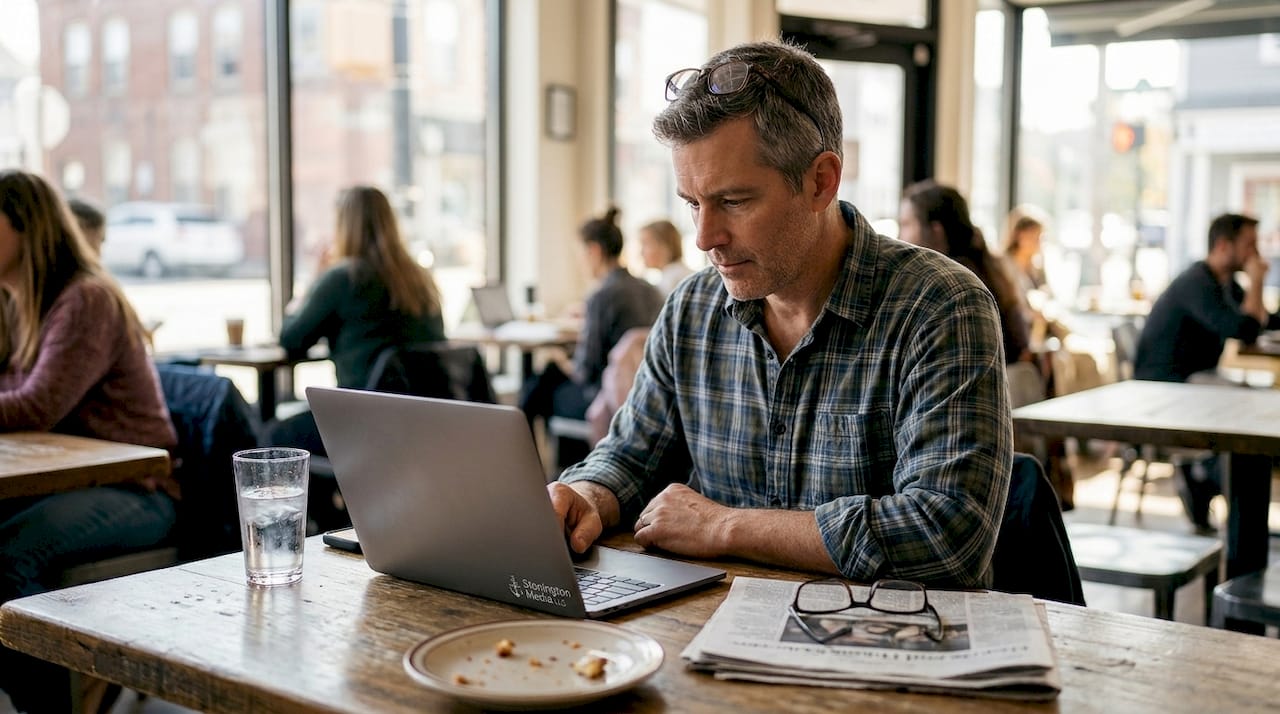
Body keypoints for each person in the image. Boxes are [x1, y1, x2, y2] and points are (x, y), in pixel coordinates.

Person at [548, 41, 1012, 589]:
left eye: (735, 202)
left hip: (883, 650)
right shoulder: (692, 310)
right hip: (709, 642)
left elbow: (947, 535)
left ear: (821, 181)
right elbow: (630, 456)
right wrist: (586, 496)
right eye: (693, 204)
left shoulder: (939, 307)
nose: (704, 238)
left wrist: (725, 527)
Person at [0, 169, 178, 713]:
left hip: (140, 491)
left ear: (26, 228)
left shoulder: (85, 300)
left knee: (8, 558)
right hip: (68, 485)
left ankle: (53, 704)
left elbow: (35, 405)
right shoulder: (19, 303)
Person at [267, 185, 446, 458]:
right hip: (424, 420)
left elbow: (291, 340)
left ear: (345, 227)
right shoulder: (420, 278)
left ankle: (325, 502)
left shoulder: (343, 278)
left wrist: (315, 281)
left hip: (362, 422)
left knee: (273, 437)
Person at [1134, 213, 1279, 531]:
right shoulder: (1197, 283)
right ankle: (1203, 477)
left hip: (1196, 381)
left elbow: (1265, 320)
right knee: (1250, 407)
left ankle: (1209, 479)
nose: (1256, 255)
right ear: (1225, 246)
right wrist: (1257, 281)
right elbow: (1246, 329)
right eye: (1249, 245)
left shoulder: (1223, 283)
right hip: (1166, 389)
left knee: (1256, 399)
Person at [520, 208, 663, 466]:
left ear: (594, 251)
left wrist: (561, 359)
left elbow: (586, 371)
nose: (581, 262)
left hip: (607, 397)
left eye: (581, 254)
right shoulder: (649, 289)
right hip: (646, 393)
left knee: (535, 388)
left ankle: (526, 473)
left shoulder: (601, 296)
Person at [898, 181, 1032, 369]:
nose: (898, 236)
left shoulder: (948, 286)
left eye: (906, 224)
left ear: (936, 231)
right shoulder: (988, 269)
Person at [638, 219, 695, 296]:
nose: (641, 252)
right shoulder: (675, 274)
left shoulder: (671, 281)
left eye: (646, 244)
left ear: (665, 246)